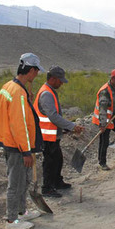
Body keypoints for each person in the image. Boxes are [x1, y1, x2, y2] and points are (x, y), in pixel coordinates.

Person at [0, 53, 45, 229]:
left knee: (24, 180)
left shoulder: (9, 86)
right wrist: (26, 151)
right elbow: (18, 124)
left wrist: (29, 100)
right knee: (16, 183)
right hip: (16, 146)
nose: (36, 76)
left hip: (12, 142)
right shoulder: (18, 93)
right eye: (36, 72)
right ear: (31, 70)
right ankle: (12, 220)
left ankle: (21, 212)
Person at [34, 66, 84, 198]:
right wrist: (71, 126)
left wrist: (67, 128)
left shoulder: (50, 92)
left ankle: (57, 182)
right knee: (50, 162)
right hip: (46, 136)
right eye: (60, 80)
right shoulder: (46, 94)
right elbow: (53, 116)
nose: (61, 83)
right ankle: (47, 188)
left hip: (52, 134)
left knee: (57, 159)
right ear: (52, 79)